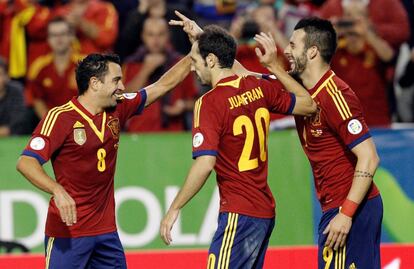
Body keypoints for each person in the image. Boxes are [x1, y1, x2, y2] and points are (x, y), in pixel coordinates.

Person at [160, 12, 317, 268]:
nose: (192, 67)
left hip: (239, 212)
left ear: (210, 59)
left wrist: (174, 208)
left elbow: (205, 164)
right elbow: (309, 105)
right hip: (264, 211)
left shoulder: (209, 103)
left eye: (194, 60)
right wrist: (203, 38)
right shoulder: (258, 86)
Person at [16, 52, 192, 268]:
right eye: (116, 80)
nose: (122, 86)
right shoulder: (60, 117)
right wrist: (57, 190)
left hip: (106, 234)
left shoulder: (118, 108)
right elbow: (25, 162)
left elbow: (162, 86)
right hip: (69, 233)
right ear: (95, 83)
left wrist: (193, 55)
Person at [284, 17, 382, 268]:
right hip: (336, 207)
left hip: (351, 209)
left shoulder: (336, 95)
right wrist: (208, 43)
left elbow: (369, 157)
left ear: (313, 51)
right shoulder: (304, 92)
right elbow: (254, 79)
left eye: (293, 45)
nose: (286, 51)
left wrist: (346, 213)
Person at [123, 17, 198, 132]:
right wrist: (145, 70)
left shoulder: (181, 63)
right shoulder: (132, 64)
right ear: (143, 36)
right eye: (150, 35)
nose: (155, 40)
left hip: (173, 133)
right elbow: (123, 100)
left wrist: (183, 105)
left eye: (160, 34)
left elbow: (196, 101)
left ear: (168, 36)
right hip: (138, 132)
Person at [26, 16, 84, 119]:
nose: (59, 39)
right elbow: (37, 100)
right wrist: (53, 124)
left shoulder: (86, 64)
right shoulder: (38, 67)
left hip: (84, 123)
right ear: (48, 39)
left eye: (62, 34)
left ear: (71, 36)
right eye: (54, 35)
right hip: (51, 125)